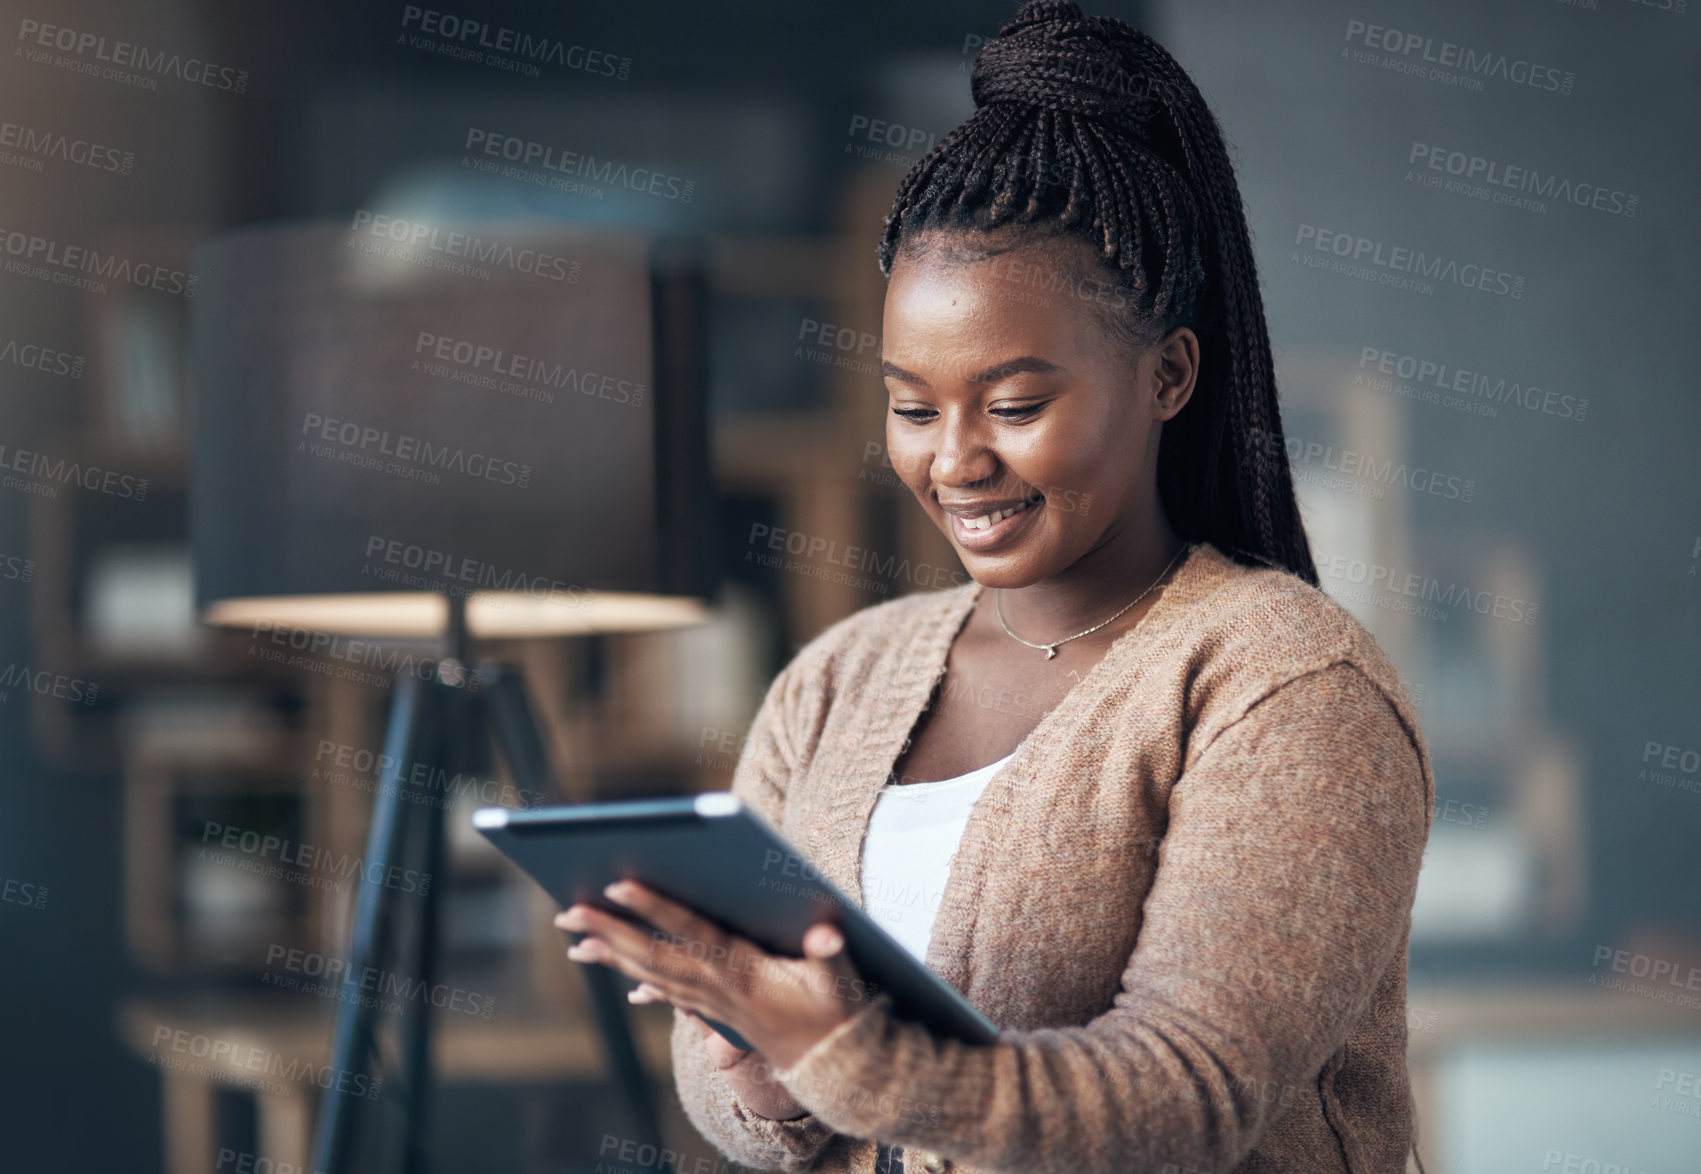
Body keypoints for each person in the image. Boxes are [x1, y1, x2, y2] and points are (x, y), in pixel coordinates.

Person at [555, 2, 1433, 1170]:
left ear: (1169, 373)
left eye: (1015, 405)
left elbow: (1189, 1093)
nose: (954, 458)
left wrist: (849, 1055)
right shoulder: (839, 677)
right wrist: (766, 1069)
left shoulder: (1285, 684)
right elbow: (741, 1097)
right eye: (914, 407)